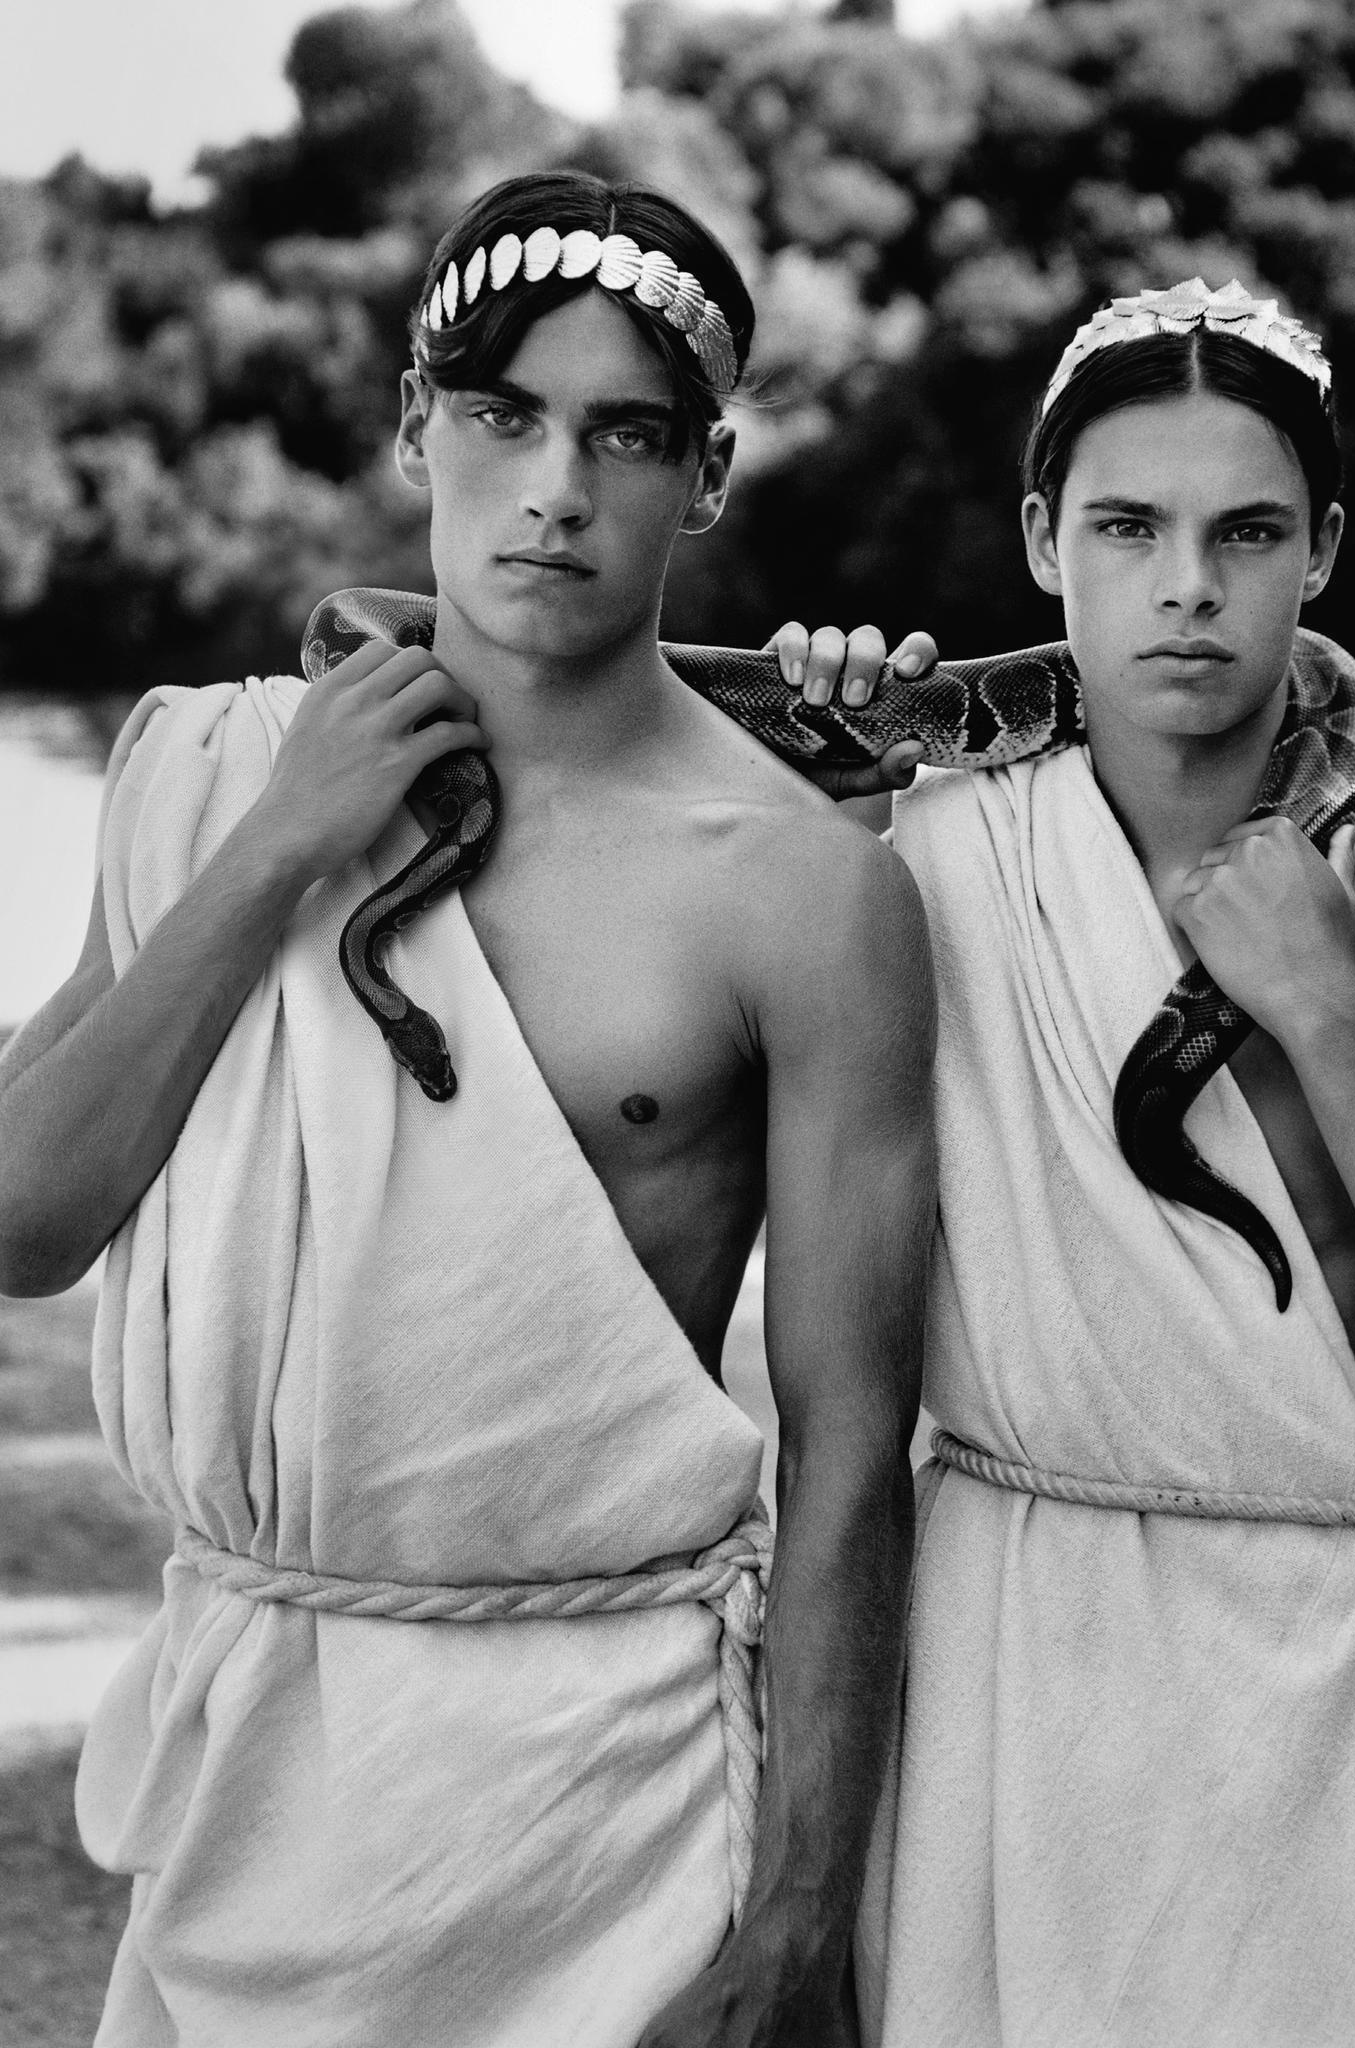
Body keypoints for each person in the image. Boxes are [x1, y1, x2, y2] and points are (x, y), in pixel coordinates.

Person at [0, 171, 937, 2048]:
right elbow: (25, 1221)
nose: (556, 488)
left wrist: (801, 1924)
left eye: (627, 435)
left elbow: (850, 1446)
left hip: (614, 1794)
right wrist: (283, 848)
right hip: (257, 1777)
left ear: (708, 475)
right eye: (504, 415)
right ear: (416, 426)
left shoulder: (802, 886)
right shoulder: (222, 774)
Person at [773, 280, 1355, 2045]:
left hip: (1341, 1715)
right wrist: (798, 793)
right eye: (1130, 527)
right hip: (1010, 1686)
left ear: (1325, 550)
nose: (1189, 585)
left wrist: (1329, 1014)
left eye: (1249, 532)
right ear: (1043, 541)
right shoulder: (912, 861)